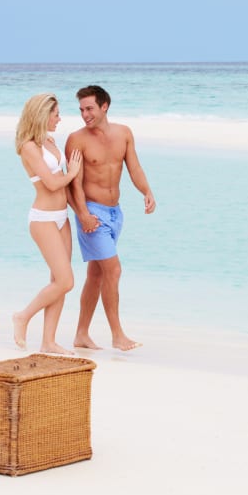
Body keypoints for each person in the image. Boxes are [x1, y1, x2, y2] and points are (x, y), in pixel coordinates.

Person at [65, 85, 156, 351]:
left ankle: (81, 334)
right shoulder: (77, 139)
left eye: (89, 108)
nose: (85, 114)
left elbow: (134, 167)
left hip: (116, 213)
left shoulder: (124, 133)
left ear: (105, 106)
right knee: (113, 270)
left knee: (96, 275)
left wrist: (147, 191)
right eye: (81, 110)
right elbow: (74, 184)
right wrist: (83, 214)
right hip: (92, 213)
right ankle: (118, 335)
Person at [12, 93, 83, 355]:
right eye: (56, 114)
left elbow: (61, 183)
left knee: (58, 280)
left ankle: (48, 341)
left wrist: (80, 212)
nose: (59, 118)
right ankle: (23, 316)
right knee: (66, 281)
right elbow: (53, 184)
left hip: (61, 217)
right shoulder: (29, 147)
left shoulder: (51, 141)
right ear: (43, 115)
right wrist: (73, 173)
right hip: (43, 219)